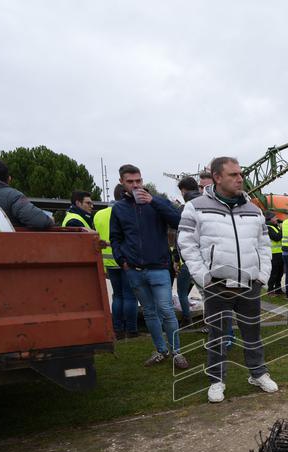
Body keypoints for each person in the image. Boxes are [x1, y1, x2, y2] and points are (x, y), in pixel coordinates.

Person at [177, 156, 278, 403]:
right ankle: (217, 381)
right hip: (217, 285)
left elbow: (264, 245)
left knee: (252, 333)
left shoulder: (254, 210)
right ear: (217, 177)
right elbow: (186, 244)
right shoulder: (196, 207)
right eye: (233, 174)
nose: (240, 178)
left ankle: (258, 373)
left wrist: (262, 276)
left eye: (240, 174)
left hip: (249, 285)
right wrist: (203, 277)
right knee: (217, 336)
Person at [109, 164, 186, 368]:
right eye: (130, 182)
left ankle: (177, 351)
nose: (135, 185)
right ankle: (161, 350)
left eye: (138, 181)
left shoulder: (157, 202)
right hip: (134, 270)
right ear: (122, 183)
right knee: (150, 312)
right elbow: (115, 238)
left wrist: (154, 201)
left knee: (167, 311)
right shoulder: (119, 208)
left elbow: (177, 221)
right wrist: (122, 261)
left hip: (159, 268)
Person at [93, 185, 138, 340]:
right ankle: (131, 330)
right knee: (130, 296)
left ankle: (117, 329)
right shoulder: (126, 211)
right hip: (125, 260)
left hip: (108, 262)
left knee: (117, 296)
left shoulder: (98, 214)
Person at [174, 176, 202, 326]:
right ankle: (216, 326)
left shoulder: (183, 209)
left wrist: (176, 259)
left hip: (189, 259)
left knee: (182, 292)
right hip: (206, 259)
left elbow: (179, 236)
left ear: (183, 191)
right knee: (211, 295)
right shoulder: (208, 205)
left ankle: (186, 319)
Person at [265, 210, 284, 295]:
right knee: (274, 273)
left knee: (280, 272)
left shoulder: (276, 226)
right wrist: (282, 230)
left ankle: (278, 289)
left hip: (280, 253)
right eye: (275, 217)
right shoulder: (269, 227)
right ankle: (270, 289)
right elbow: (276, 237)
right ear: (270, 219)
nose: (277, 218)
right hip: (274, 254)